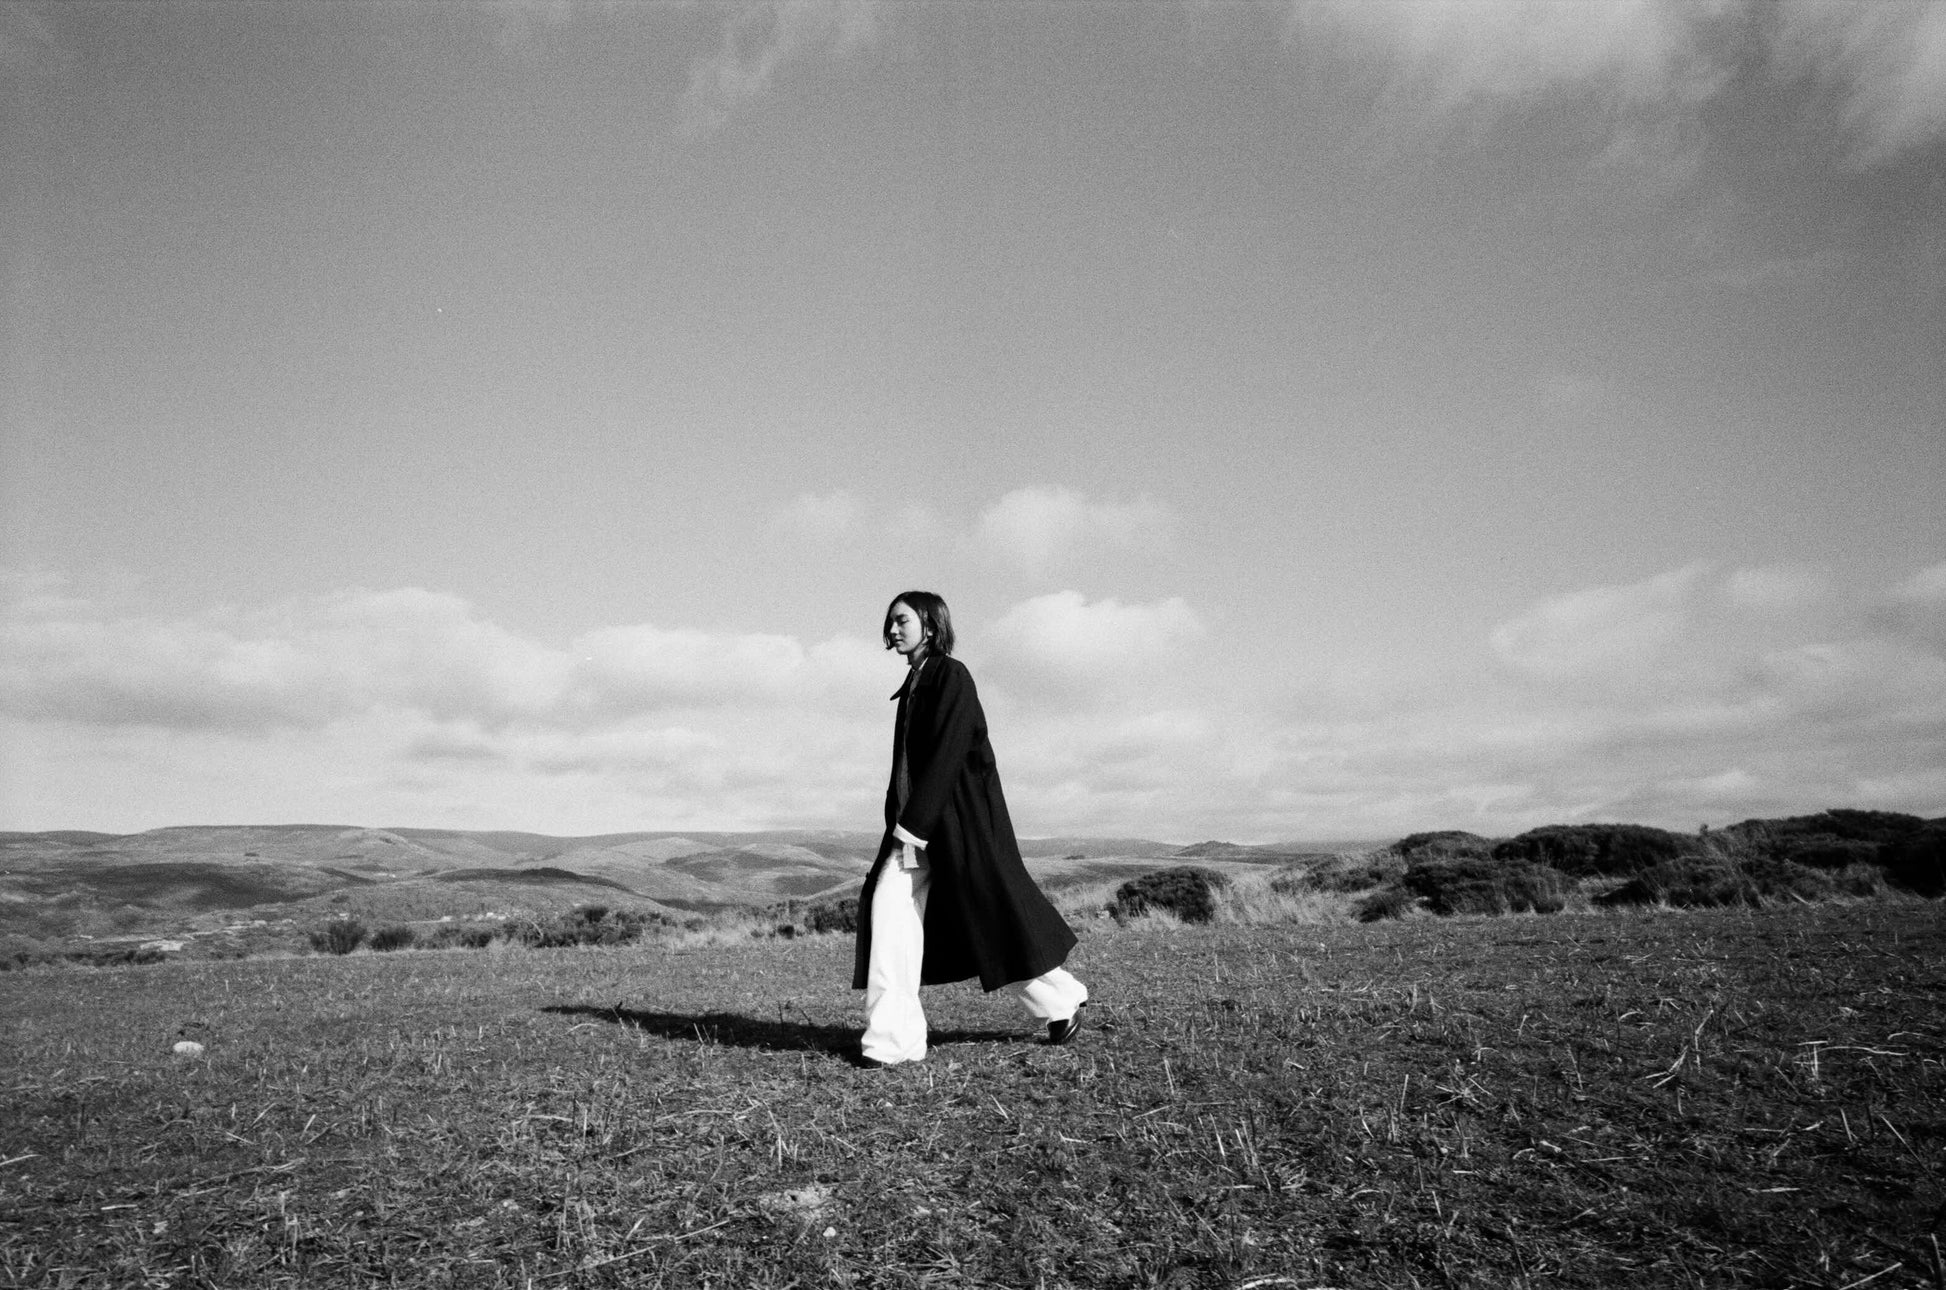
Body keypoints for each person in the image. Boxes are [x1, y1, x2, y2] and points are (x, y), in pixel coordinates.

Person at [853, 590, 1088, 1067]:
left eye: (902, 620)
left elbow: (949, 753)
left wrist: (912, 827)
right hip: (917, 828)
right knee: (891, 919)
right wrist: (901, 822)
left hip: (957, 827)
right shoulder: (914, 684)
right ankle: (893, 1041)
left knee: (991, 918)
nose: (893, 630)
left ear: (931, 625)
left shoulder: (951, 676)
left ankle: (1060, 999)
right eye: (890, 622)